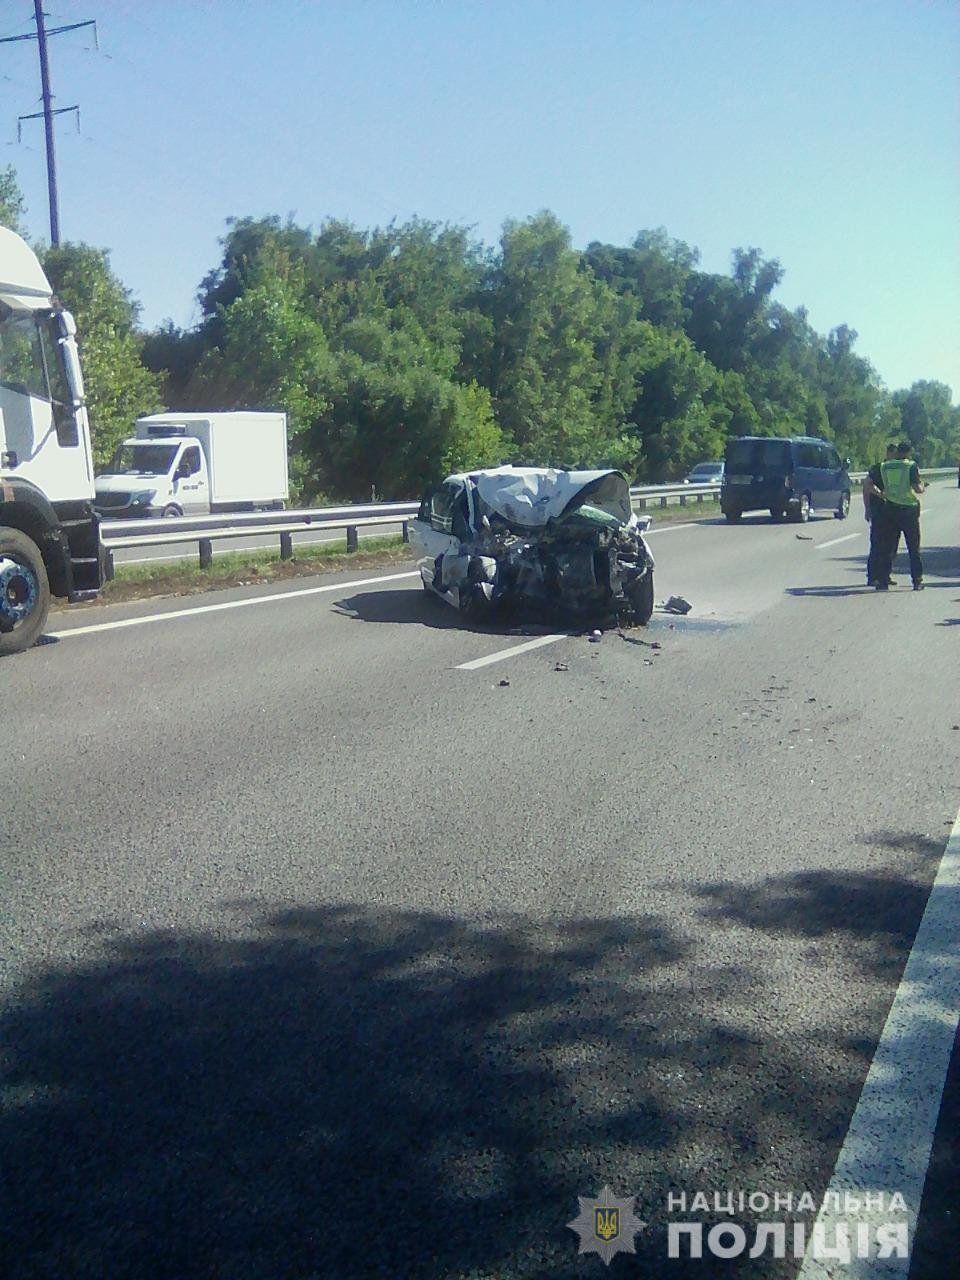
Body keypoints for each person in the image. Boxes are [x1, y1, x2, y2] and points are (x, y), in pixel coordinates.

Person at [868, 441, 925, 590]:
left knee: (888, 547)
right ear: (908, 452)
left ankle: (883, 580)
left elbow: (868, 484)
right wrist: (923, 486)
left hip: (889, 510)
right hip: (908, 511)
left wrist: (882, 494)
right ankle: (917, 581)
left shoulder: (884, 466)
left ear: (897, 451)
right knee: (913, 547)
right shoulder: (910, 466)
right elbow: (917, 488)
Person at [863, 443, 897, 587]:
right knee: (877, 544)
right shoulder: (878, 468)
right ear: (888, 453)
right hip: (879, 510)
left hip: (894, 512)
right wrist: (868, 508)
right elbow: (867, 486)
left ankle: (885, 574)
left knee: (892, 545)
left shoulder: (899, 469)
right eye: (894, 454)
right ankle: (872, 576)